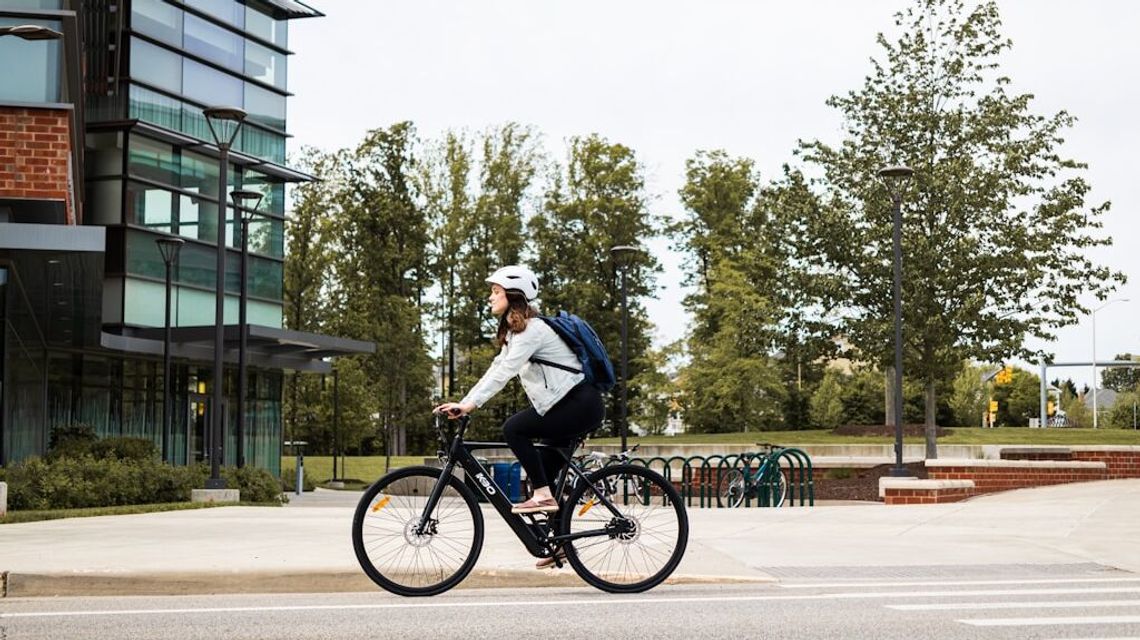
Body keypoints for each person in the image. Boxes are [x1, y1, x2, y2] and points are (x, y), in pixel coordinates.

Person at [434, 265, 605, 519]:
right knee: (542, 474)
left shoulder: (532, 330)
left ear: (513, 294)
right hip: (568, 406)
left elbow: (506, 372)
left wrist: (471, 406)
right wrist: (466, 401)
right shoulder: (517, 333)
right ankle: (557, 543)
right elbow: (496, 368)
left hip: (579, 404)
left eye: (495, 291)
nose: (490, 297)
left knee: (514, 429)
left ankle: (543, 495)